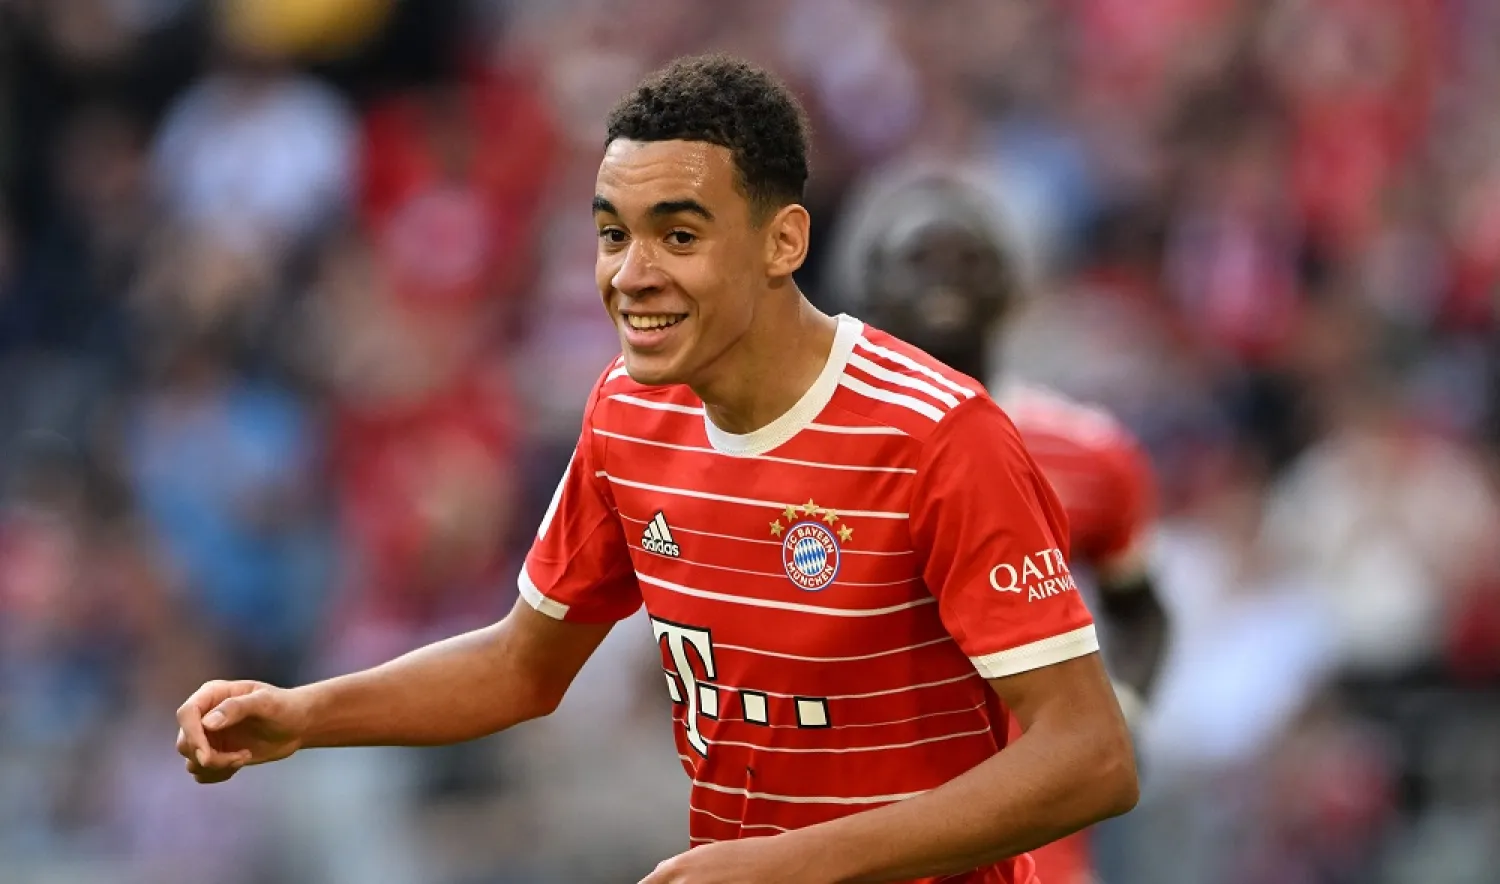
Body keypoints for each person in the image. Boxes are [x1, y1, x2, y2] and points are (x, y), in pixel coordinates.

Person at [175, 55, 1138, 884]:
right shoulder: (629, 412)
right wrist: (304, 714)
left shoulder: (938, 435)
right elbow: (522, 666)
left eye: (679, 235)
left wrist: (791, 863)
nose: (632, 272)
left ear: (783, 242)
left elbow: (1091, 757)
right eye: (611, 233)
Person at [827, 162, 1172, 884]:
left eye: (969, 259)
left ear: (1012, 284)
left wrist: (1125, 712)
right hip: (863, 805)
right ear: (868, 284)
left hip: (1030, 818)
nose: (944, 279)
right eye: (919, 259)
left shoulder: (1089, 452)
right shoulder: (814, 453)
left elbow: (1141, 608)